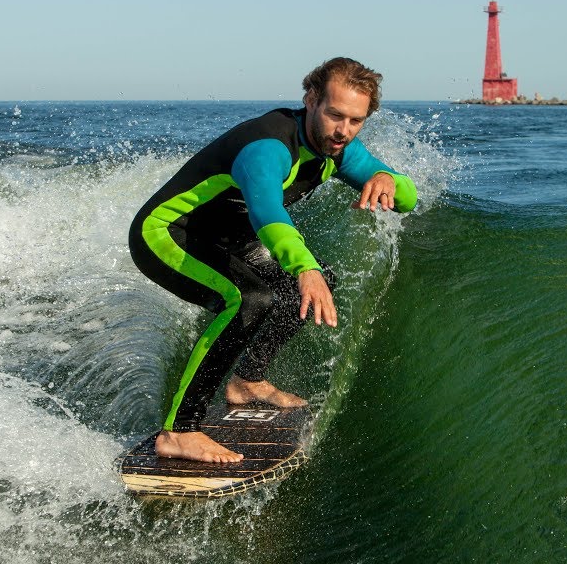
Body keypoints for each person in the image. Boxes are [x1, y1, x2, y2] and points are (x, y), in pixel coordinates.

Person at [128, 56, 418, 463]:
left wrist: (388, 178)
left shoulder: (339, 149)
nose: (344, 131)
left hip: (229, 237)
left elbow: (407, 199)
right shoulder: (268, 147)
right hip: (168, 233)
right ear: (311, 99)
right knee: (248, 300)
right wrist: (304, 268)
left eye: (356, 121)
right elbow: (266, 212)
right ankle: (178, 431)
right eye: (335, 115)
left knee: (317, 283)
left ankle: (247, 381)